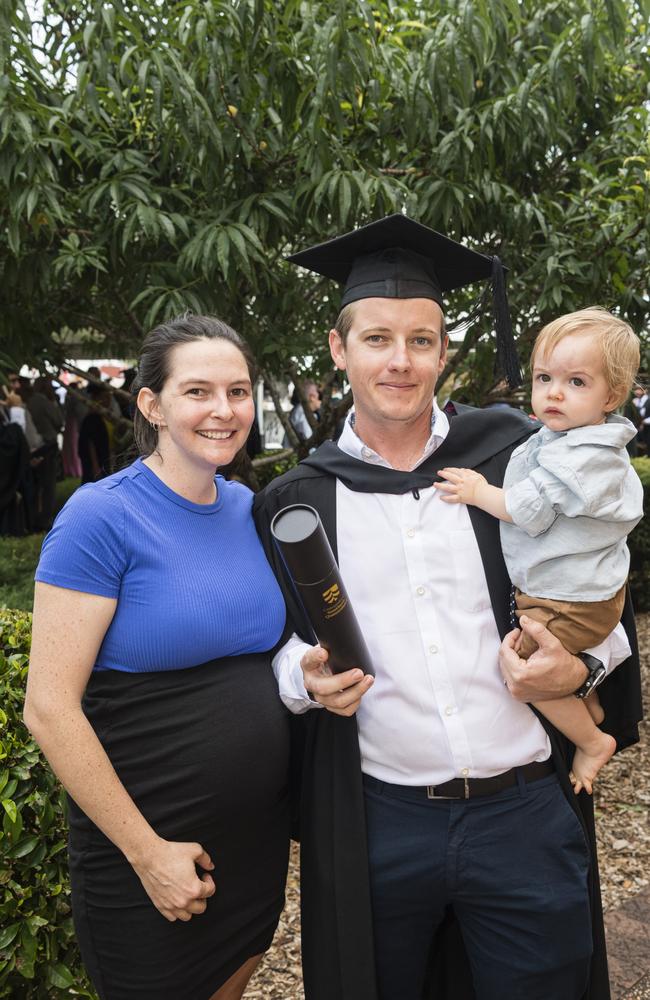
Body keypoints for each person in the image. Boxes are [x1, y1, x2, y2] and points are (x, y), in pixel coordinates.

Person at [254, 215, 642, 1000]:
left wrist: (588, 661)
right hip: (378, 825)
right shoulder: (298, 502)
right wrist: (301, 675)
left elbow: (605, 578)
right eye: (377, 338)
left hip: (524, 814)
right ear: (340, 349)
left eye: (422, 340)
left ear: (443, 350)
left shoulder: (515, 459)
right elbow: (267, 642)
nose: (401, 361)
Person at [24, 315, 291, 1000]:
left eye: (237, 391)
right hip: (149, 855)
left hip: (251, 848)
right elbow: (49, 710)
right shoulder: (100, 518)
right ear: (152, 405)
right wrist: (148, 855)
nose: (223, 411)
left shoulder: (248, 508)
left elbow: (256, 652)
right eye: (198, 391)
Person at [435, 308, 643, 794]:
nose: (553, 392)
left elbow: (524, 509)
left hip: (565, 601)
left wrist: (476, 491)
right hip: (585, 593)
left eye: (575, 381)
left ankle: (592, 740)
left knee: (525, 673)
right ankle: (587, 705)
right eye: (544, 377)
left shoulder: (579, 457)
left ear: (610, 397)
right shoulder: (579, 439)